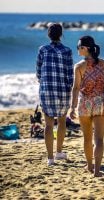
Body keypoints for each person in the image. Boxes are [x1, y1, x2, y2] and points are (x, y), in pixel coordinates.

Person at [70, 35, 104, 177]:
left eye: (79, 47)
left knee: (87, 139)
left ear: (86, 48)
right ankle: (96, 170)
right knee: (99, 139)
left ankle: (89, 166)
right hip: (101, 103)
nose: (77, 49)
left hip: (85, 103)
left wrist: (72, 107)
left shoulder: (79, 66)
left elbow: (76, 88)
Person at [36, 23, 73, 166]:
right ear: (61, 34)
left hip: (47, 90)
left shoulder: (42, 49)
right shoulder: (67, 51)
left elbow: (38, 71)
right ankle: (59, 152)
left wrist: (43, 82)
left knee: (48, 124)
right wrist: (70, 87)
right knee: (62, 121)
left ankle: (50, 158)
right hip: (63, 90)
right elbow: (70, 74)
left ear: (48, 34)